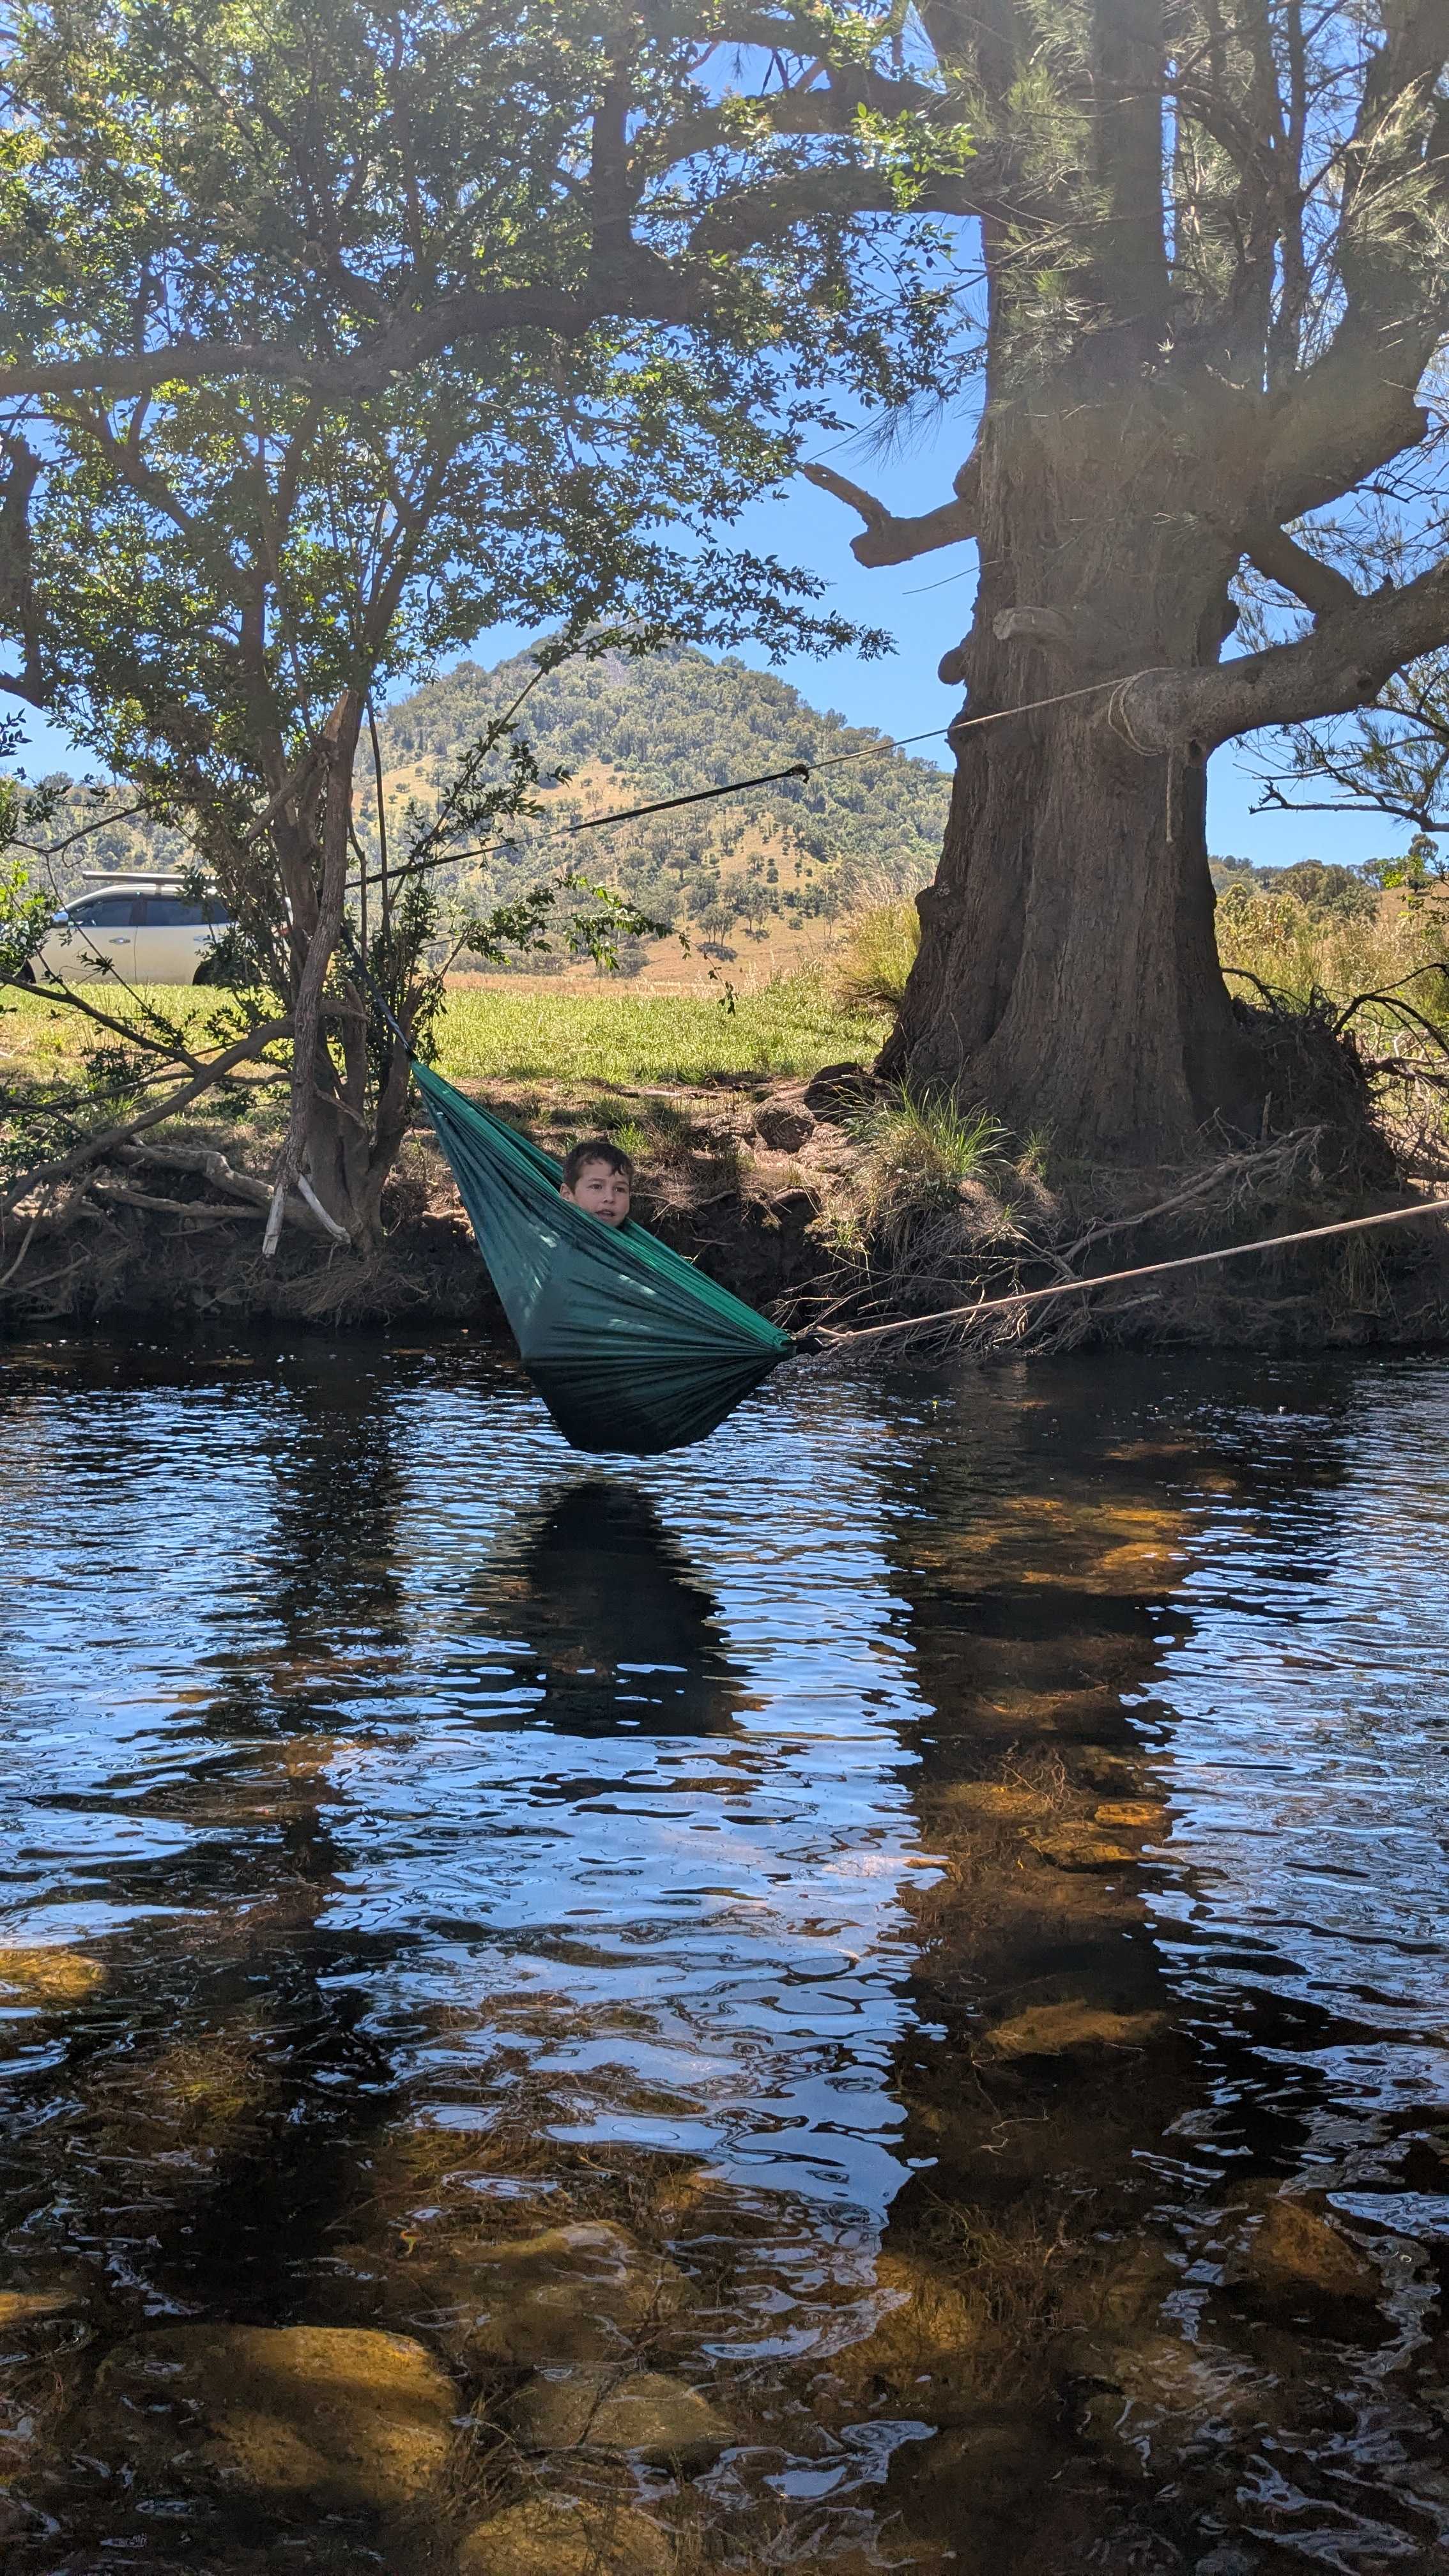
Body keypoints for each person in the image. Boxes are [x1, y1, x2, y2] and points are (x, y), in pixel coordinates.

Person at [559, 1136, 633, 1229]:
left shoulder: (636, 1242)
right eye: (596, 1187)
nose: (610, 1198)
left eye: (619, 1189)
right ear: (567, 1195)